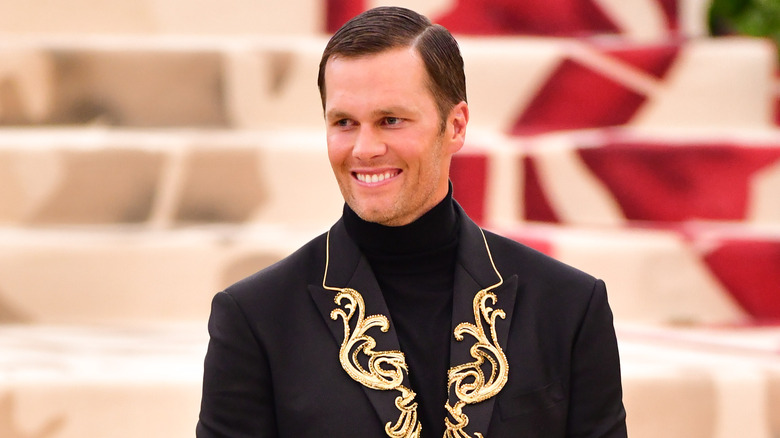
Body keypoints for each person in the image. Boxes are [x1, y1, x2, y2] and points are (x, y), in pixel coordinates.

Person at [197, 6, 627, 438]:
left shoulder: (570, 306)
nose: (364, 149)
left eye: (391, 120)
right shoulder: (254, 318)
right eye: (344, 122)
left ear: (455, 126)